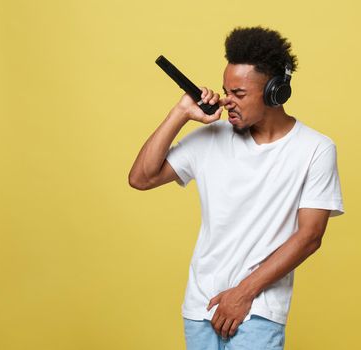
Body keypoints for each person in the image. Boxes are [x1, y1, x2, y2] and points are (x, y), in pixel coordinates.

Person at [128, 26, 345, 350]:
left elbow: (309, 236)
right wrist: (180, 114)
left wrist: (242, 294)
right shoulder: (209, 138)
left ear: (275, 93)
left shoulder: (315, 149)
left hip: (258, 308)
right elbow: (141, 178)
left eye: (239, 94)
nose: (228, 100)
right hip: (199, 307)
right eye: (226, 90)